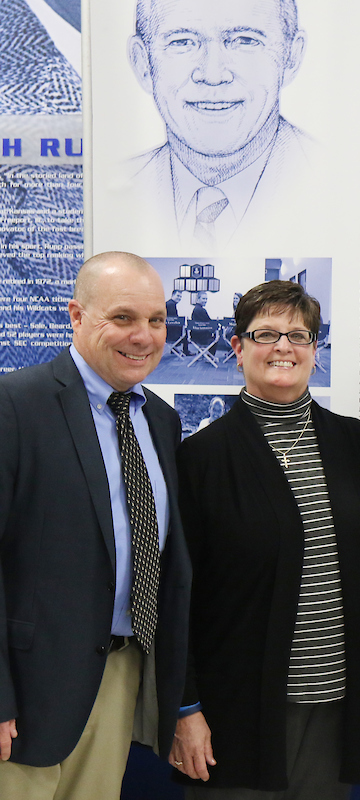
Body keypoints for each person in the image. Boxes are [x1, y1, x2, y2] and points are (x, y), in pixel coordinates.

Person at [170, 280, 360, 796]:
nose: (283, 347)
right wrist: (185, 708)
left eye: (298, 335)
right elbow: (175, 596)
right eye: (265, 334)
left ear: (315, 350)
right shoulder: (200, 459)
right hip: (236, 712)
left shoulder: (356, 443)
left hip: (335, 702)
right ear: (238, 348)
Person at [0, 251, 191, 799]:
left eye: (157, 320)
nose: (145, 336)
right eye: (124, 318)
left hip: (119, 676)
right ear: (77, 316)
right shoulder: (16, 404)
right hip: (27, 690)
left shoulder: (159, 419)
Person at [125, 0, 313, 250]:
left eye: (245, 41)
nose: (213, 75)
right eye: (182, 42)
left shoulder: (335, 183)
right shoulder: (118, 191)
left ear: (291, 56)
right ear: (143, 63)